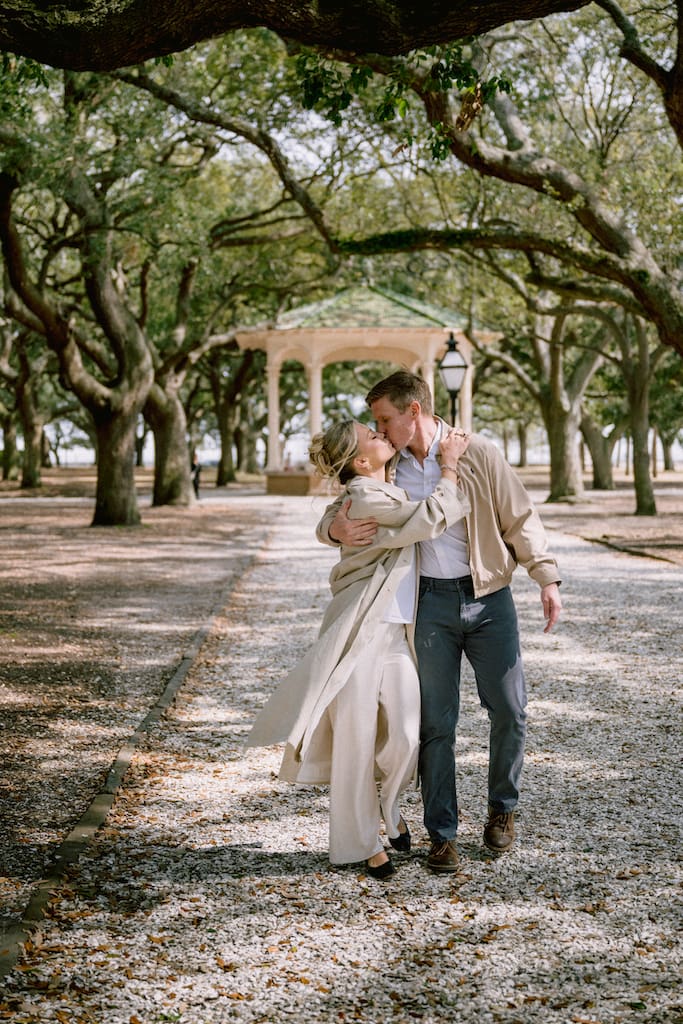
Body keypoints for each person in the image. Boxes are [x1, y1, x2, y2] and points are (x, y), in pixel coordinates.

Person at [317, 370, 562, 873]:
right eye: (374, 424)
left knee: (510, 710)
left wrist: (546, 577)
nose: (379, 431)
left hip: (490, 598)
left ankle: (502, 810)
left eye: (385, 419)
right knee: (435, 725)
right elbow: (344, 499)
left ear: (414, 411)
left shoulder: (477, 453)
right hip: (429, 605)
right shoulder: (389, 468)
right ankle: (441, 834)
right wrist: (331, 528)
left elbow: (520, 517)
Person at [246, 419, 471, 880]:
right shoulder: (367, 496)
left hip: (396, 635)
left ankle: (389, 810)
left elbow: (339, 508)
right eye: (373, 434)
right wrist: (449, 469)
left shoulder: (373, 488)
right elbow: (428, 520)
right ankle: (363, 843)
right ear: (361, 461)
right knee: (355, 737)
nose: (383, 434)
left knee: (407, 733)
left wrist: (330, 525)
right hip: (360, 627)